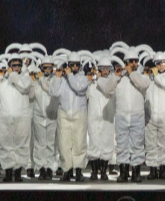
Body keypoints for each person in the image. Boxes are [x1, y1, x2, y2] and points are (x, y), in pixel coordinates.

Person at [103, 50, 151, 183]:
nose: (134, 63)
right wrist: (116, 76)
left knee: (137, 145)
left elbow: (144, 84)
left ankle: (136, 173)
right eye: (131, 61)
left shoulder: (142, 76)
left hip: (137, 116)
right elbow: (107, 90)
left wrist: (131, 73)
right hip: (122, 116)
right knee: (122, 145)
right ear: (125, 63)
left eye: (136, 61)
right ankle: (123, 172)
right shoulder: (119, 77)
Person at [0, 57, 35, 183]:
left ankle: (18, 172)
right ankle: (8, 171)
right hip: (4, 116)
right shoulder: (2, 80)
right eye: (13, 65)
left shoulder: (25, 78)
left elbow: (24, 87)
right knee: (5, 144)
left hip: (22, 116)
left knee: (21, 144)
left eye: (18, 65)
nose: (16, 67)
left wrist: (12, 75)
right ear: (9, 65)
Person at [50, 54, 90, 182]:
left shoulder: (83, 78)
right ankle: (67, 171)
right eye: (71, 64)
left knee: (79, 143)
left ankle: (78, 171)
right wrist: (57, 77)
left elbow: (79, 87)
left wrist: (70, 75)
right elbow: (54, 92)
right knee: (64, 144)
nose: (73, 67)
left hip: (79, 114)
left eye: (76, 65)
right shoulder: (62, 79)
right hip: (64, 114)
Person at [143, 52, 165, 180]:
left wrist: (156, 75)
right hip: (151, 116)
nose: (161, 65)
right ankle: (153, 169)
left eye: (163, 62)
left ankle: (164, 168)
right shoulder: (148, 79)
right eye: (158, 63)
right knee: (151, 144)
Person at [86, 57, 117, 181]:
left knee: (106, 144)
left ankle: (104, 171)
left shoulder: (112, 83)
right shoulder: (91, 84)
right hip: (93, 118)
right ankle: (94, 171)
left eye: (107, 69)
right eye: (102, 69)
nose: (104, 71)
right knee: (94, 144)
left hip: (107, 118)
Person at [31, 59, 60, 180]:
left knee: (51, 144)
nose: (48, 70)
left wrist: (42, 79)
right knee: (39, 144)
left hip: (52, 115)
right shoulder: (37, 82)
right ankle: (41, 168)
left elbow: (52, 91)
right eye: (45, 67)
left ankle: (50, 168)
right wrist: (32, 82)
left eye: (50, 67)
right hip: (38, 115)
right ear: (41, 68)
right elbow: (30, 95)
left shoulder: (56, 80)